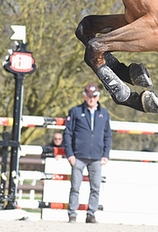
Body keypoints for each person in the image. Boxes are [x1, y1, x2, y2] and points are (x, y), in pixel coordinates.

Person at [63, 83, 111, 224]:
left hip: (96, 157)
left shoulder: (104, 113)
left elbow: (108, 135)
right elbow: (68, 133)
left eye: (94, 96)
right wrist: (70, 153)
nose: (91, 99)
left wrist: (105, 154)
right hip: (78, 155)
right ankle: (72, 214)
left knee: (95, 187)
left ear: (98, 96)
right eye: (89, 96)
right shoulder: (75, 111)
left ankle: (91, 214)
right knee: (75, 187)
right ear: (85, 96)